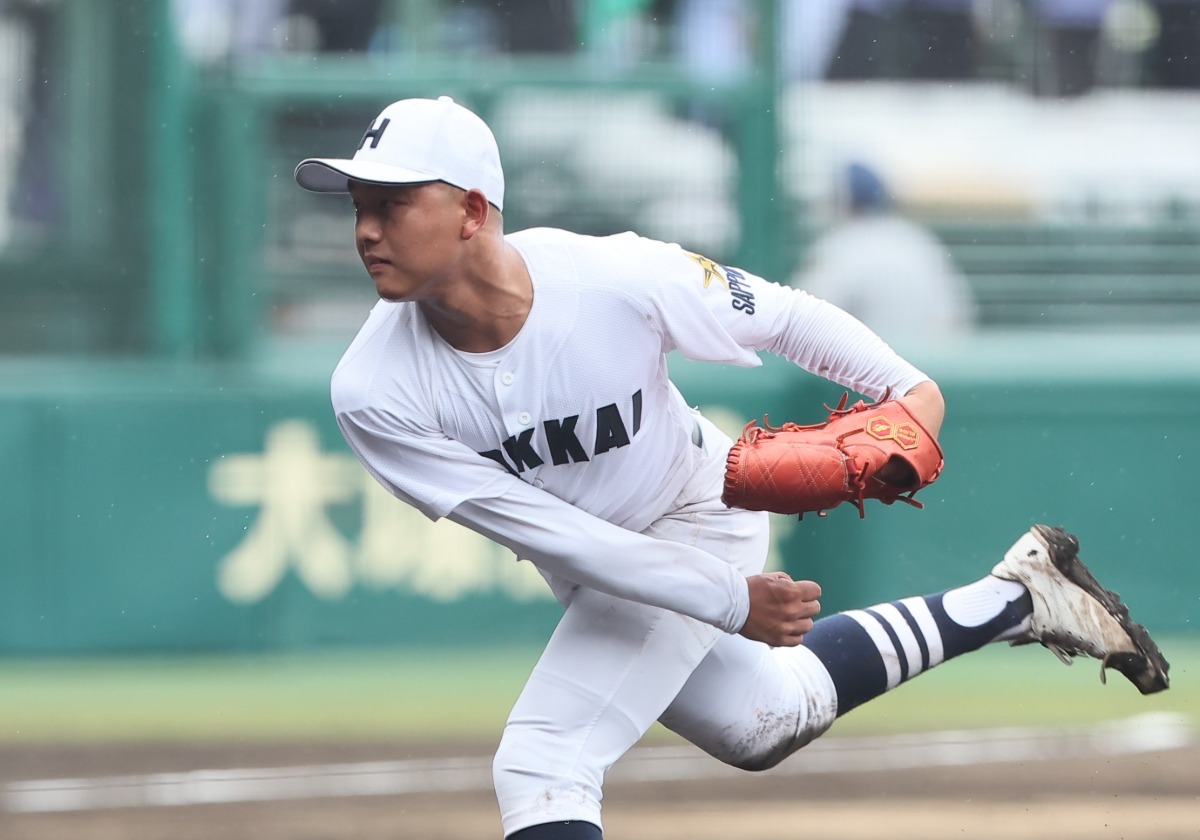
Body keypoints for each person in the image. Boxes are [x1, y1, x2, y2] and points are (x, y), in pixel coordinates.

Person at [293, 96, 1168, 840]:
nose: (366, 229)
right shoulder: (374, 389)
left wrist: (910, 390)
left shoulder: (612, 278)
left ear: (473, 211)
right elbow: (555, 535)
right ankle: (1018, 598)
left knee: (545, 760)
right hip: (609, 561)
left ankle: (1016, 599)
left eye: (393, 203)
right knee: (763, 722)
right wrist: (727, 601)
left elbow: (783, 316)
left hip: (696, 512)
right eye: (359, 205)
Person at [795, 161, 977, 342]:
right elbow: (958, 315)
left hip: (867, 357)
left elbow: (805, 321)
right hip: (928, 357)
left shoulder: (841, 246)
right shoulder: (918, 240)